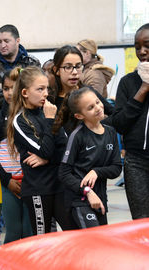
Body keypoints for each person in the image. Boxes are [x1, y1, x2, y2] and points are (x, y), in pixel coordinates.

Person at [7, 66, 69, 235]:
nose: (46, 94)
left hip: (59, 185)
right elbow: (48, 150)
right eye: (40, 89)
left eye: (47, 88)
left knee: (72, 231)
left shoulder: (48, 112)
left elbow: (66, 149)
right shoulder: (20, 121)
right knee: (43, 239)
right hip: (38, 190)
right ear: (25, 92)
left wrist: (46, 159)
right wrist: (50, 122)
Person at [59, 87, 122, 229]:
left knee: (101, 245)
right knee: (93, 241)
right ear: (79, 116)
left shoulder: (111, 132)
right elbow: (64, 173)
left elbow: (117, 168)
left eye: (98, 102)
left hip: (100, 199)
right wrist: (87, 191)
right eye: (90, 107)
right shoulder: (77, 136)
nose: (98, 108)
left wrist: (97, 172)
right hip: (79, 200)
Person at [0, 71, 32, 243]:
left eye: (14, 88)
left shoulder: (31, 116)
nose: (9, 93)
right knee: (13, 231)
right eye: (6, 88)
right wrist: (6, 181)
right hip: (7, 183)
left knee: (29, 231)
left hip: (30, 182)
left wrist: (30, 178)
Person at [112, 23, 149, 220]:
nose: (142, 52)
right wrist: (143, 90)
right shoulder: (128, 82)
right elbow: (119, 123)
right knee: (142, 221)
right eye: (137, 47)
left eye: (147, 45)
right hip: (136, 162)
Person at [51, 45, 114, 133]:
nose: (75, 72)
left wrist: (95, 125)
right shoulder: (50, 97)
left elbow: (114, 114)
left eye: (78, 66)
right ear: (56, 70)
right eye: (68, 67)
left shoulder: (87, 91)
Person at [0, 24, 40, 110]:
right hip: (1, 113)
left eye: (6, 41)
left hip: (29, 112)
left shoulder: (32, 63)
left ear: (17, 41)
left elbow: (37, 90)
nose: (2, 45)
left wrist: (2, 87)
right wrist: (21, 91)